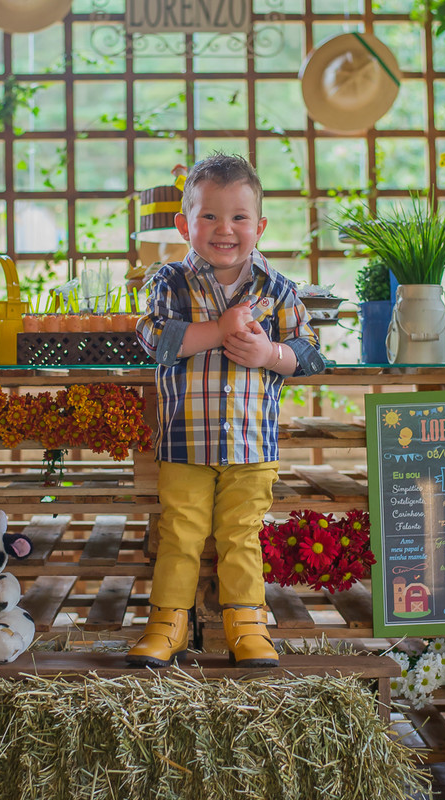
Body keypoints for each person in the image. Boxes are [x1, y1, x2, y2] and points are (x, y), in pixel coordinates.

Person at [128, 154, 325, 668]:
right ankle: (166, 625)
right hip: (184, 441)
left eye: (239, 217)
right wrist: (220, 330)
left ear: (258, 226)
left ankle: (247, 627)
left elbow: (309, 354)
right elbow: (157, 339)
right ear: (183, 224)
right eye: (209, 216)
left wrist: (269, 355)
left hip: (250, 444)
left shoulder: (278, 289)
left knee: (242, 536)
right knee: (180, 533)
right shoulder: (169, 281)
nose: (225, 229)